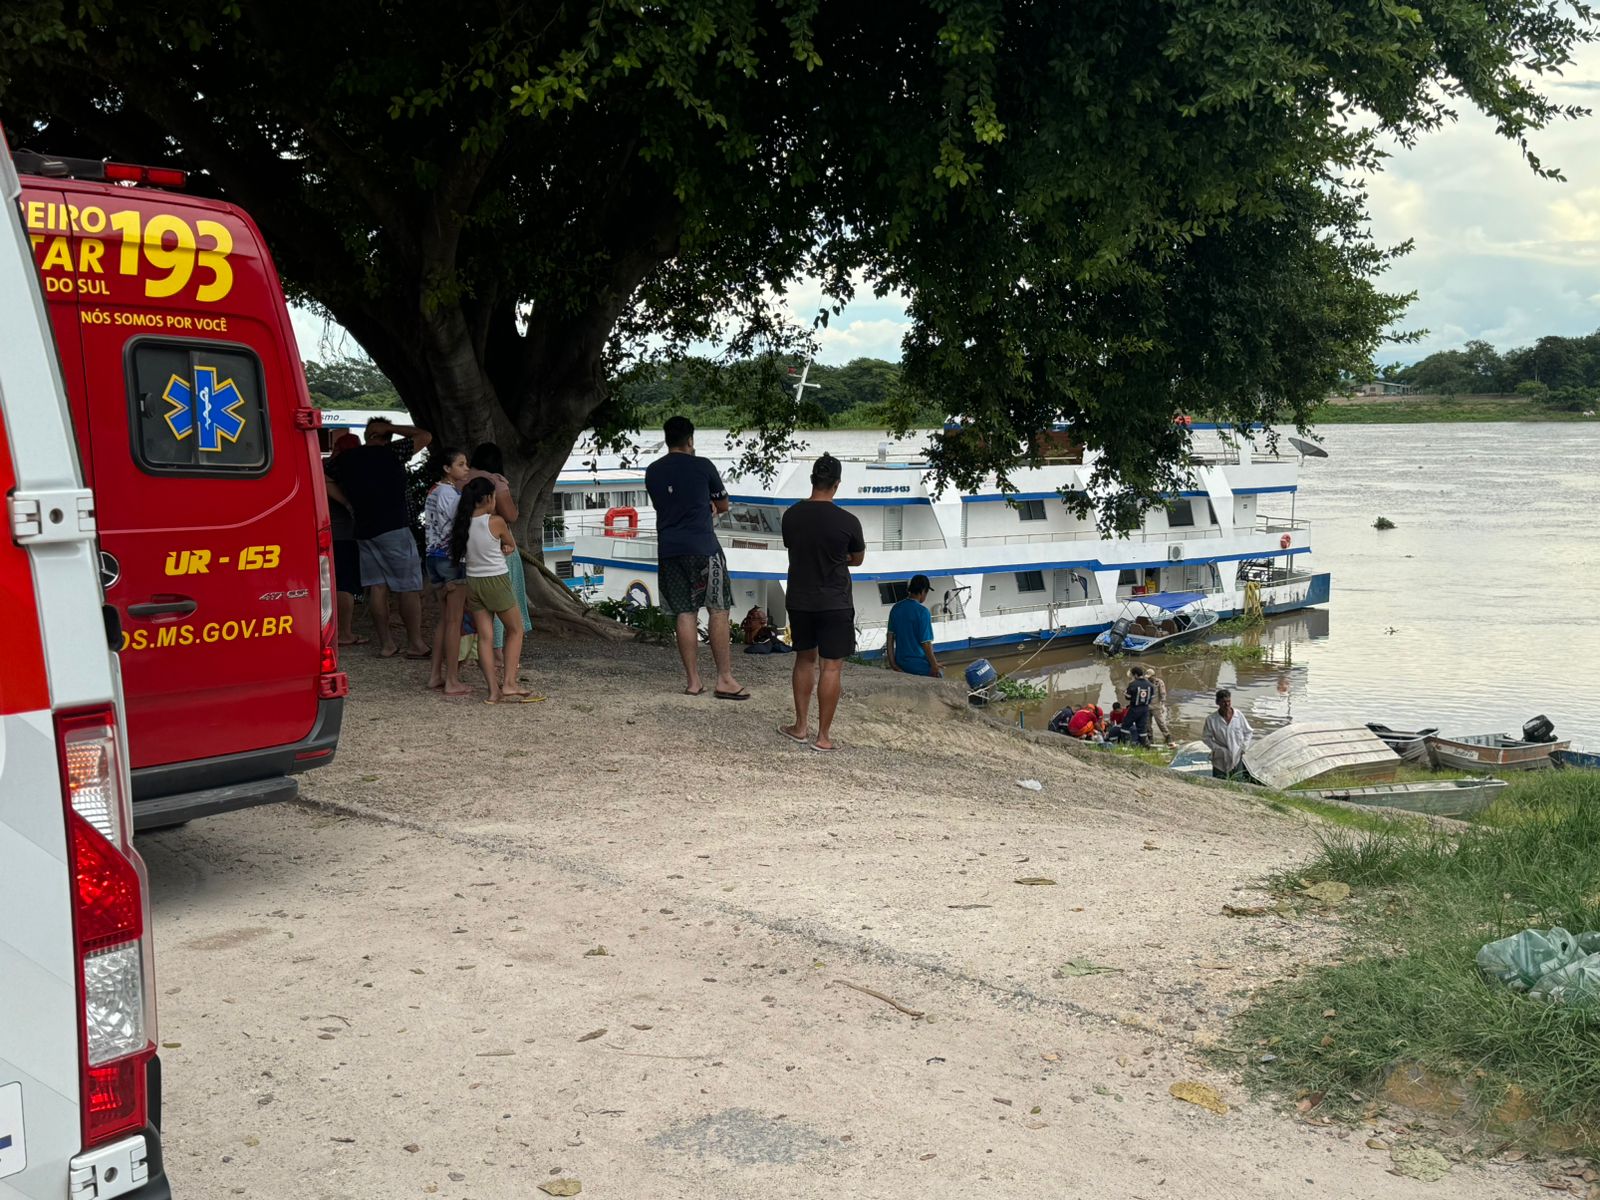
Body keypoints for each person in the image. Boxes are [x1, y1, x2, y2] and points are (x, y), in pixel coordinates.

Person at [643, 416, 747, 699]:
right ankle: (724, 679)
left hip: (669, 550)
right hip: (704, 548)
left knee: (684, 612)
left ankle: (693, 681)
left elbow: (664, 504)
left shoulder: (653, 471)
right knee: (718, 609)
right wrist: (709, 505)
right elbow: (723, 504)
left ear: (667, 439)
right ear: (690, 440)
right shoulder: (703, 466)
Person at [778, 454, 865, 752]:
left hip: (800, 599)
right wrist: (839, 557)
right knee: (831, 668)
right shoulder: (848, 521)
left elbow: (794, 547)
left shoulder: (791, 516)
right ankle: (823, 737)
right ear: (837, 484)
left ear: (812, 480)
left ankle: (800, 726)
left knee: (804, 660)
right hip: (835, 601)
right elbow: (857, 559)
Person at [329, 415, 432, 658]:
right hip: (394, 527)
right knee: (408, 587)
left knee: (377, 586)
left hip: (364, 530)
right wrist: (390, 427)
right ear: (386, 435)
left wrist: (347, 503)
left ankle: (387, 644)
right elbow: (425, 436)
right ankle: (415, 644)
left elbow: (324, 478)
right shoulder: (393, 452)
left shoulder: (347, 458)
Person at [449, 477, 535, 704]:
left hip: (473, 582)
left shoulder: (463, 523)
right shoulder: (496, 522)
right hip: (496, 580)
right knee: (515, 630)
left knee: (485, 637)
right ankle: (509, 683)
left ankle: (493, 691)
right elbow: (511, 544)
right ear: (489, 498)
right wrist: (505, 546)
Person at [466, 444, 529, 661]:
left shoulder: (461, 479)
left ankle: (481, 657)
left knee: (483, 629)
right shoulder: (495, 482)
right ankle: (501, 654)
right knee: (513, 624)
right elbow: (511, 517)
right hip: (495, 563)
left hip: (471, 569)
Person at [424, 448, 472, 695]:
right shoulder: (450, 494)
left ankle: (435, 675)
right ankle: (452, 679)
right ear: (447, 468)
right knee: (454, 621)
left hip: (433, 557)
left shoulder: (434, 491)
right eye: (461, 464)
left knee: (444, 620)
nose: (466, 468)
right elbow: (461, 522)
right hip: (452, 559)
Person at [323, 433, 365, 646]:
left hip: (326, 532)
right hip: (344, 534)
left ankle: (331, 628)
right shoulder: (348, 471)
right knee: (345, 584)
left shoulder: (322, 466)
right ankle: (345, 633)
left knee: (330, 583)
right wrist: (349, 504)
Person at [885, 574, 943, 677]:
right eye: (926, 592)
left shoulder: (896, 608)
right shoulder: (923, 612)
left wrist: (893, 664)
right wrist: (934, 665)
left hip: (901, 663)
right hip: (917, 664)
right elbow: (926, 643)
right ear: (923, 591)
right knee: (940, 676)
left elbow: (889, 638)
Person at [1202, 688, 1254, 779]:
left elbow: (1248, 732)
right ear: (1217, 703)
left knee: (1237, 781)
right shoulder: (1211, 719)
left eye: (1228, 701)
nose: (1227, 705)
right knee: (1219, 781)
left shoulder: (1238, 715)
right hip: (1220, 758)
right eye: (1223, 702)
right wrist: (1217, 748)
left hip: (1237, 756)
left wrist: (1244, 747)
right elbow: (1206, 738)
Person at [1124, 665, 1156, 747]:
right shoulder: (1150, 685)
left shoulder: (1132, 684)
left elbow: (1128, 697)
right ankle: (1144, 745)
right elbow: (1152, 697)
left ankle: (1125, 744)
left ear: (1135, 675)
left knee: (1125, 726)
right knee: (1142, 729)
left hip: (1134, 708)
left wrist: (1126, 692)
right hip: (1145, 709)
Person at [1147, 667, 1173, 746]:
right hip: (1147, 706)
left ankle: (1168, 736)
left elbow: (1163, 693)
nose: (1149, 678)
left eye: (1150, 677)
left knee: (1160, 722)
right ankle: (1150, 738)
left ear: (1153, 676)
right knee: (1147, 724)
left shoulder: (1159, 682)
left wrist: (1162, 704)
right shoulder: (1145, 682)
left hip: (1156, 706)